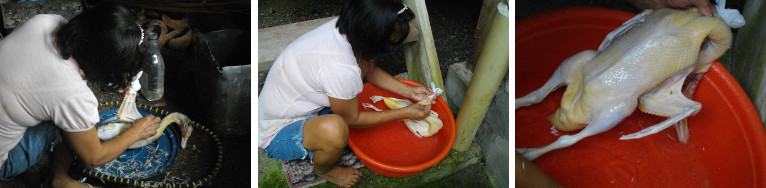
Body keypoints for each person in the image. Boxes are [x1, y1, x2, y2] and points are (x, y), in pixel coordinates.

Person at [258, 0, 432, 187]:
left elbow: (369, 69)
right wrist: (405, 112)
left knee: (360, 80)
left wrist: (408, 90)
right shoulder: (340, 68)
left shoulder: (347, 28)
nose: (391, 48)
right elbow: (351, 120)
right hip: (276, 131)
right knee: (337, 130)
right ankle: (324, 170)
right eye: (390, 42)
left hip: (296, 104)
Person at [0, 4, 161, 188]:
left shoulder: (45, 21)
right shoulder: (72, 97)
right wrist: (136, 132)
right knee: (72, 125)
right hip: (3, 162)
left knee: (63, 112)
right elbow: (93, 158)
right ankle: (60, 180)